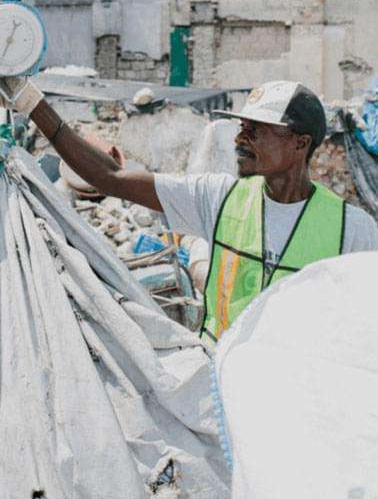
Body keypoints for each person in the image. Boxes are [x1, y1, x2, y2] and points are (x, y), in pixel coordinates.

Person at [1, 77, 377, 344]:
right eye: (241, 126)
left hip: (297, 403)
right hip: (223, 386)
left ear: (300, 143)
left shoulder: (352, 229)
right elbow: (112, 176)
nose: (239, 138)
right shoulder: (219, 197)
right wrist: (33, 103)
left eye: (256, 130)